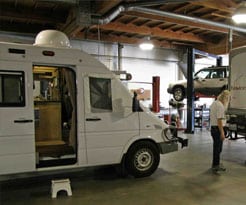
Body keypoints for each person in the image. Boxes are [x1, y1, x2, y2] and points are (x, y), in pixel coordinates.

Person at [210, 90, 230, 173]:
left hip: (214, 128)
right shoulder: (220, 106)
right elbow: (219, 120)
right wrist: (222, 133)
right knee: (218, 149)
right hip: (218, 129)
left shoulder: (215, 103)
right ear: (225, 98)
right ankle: (216, 166)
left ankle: (215, 164)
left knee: (217, 148)